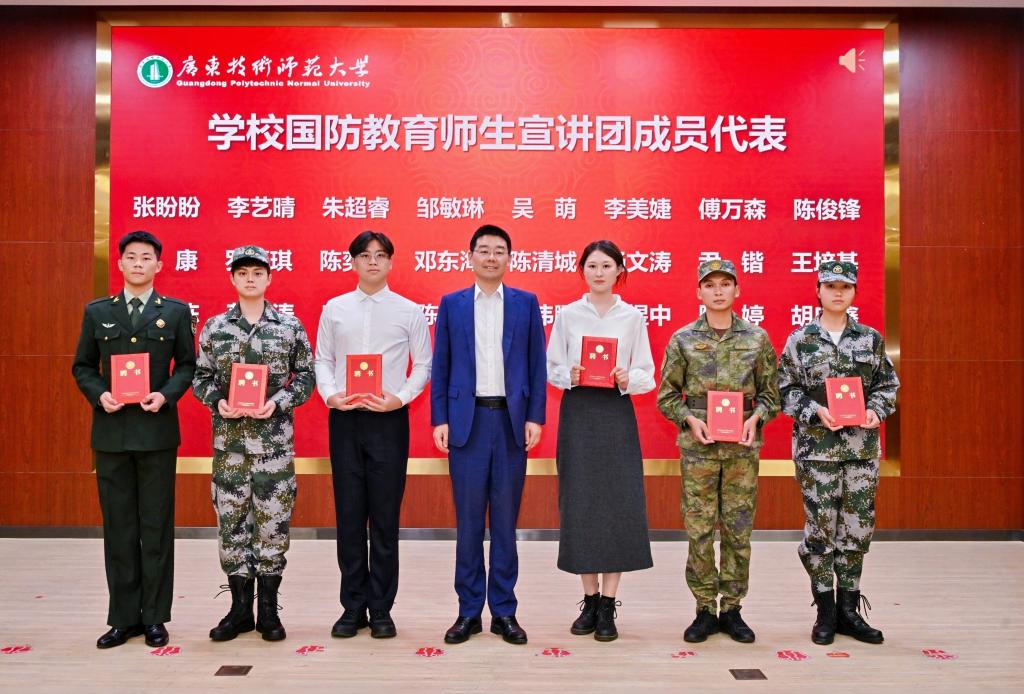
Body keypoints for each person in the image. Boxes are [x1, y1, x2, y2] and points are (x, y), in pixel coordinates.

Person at [72, 230, 196, 649]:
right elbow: (83, 366)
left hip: (157, 433)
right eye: (131, 257)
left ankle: (155, 617)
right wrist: (99, 394)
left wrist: (165, 395)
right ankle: (123, 618)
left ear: (159, 265)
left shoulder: (174, 312)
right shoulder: (98, 312)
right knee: (119, 529)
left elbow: (187, 365)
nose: (138, 263)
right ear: (120, 263)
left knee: (156, 527)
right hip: (111, 434)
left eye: (146, 257)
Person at [430, 224, 547, 646]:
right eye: (484, 250)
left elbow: (536, 363)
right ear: (470, 257)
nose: (491, 257)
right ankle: (468, 612)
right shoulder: (453, 304)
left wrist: (535, 417)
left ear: (509, 259)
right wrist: (439, 418)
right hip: (468, 422)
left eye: (499, 251)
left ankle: (504, 611)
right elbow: (441, 364)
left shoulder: (525, 303)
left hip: (511, 423)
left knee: (504, 522)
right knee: (467, 523)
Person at [192, 245, 315, 643]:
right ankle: (239, 610)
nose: (250, 279)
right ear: (232, 278)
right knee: (231, 528)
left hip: (273, 449)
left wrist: (278, 402)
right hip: (230, 449)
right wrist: (218, 401)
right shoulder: (215, 328)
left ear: (269, 278)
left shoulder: (289, 327)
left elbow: (306, 377)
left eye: (257, 273)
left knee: (273, 528)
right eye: (242, 272)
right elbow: (200, 378)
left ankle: (269, 612)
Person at [314, 231, 432, 639]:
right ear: (353, 262)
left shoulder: (408, 311)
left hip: (388, 421)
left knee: (384, 519)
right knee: (349, 517)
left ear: (391, 262)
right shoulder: (335, 309)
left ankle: (381, 608)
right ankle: (352, 607)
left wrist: (399, 398)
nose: (373, 262)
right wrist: (331, 395)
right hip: (345, 419)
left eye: (381, 255)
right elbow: (323, 359)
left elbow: (424, 365)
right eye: (365, 256)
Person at [656, 258, 779, 644]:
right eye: (710, 285)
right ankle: (705, 609)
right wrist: (688, 420)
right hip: (700, 449)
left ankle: (733, 609)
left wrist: (756, 418)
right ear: (699, 292)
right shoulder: (683, 339)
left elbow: (772, 396)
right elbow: (666, 396)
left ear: (737, 290)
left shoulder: (756, 339)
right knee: (700, 530)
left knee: (739, 530)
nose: (718, 291)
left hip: (742, 449)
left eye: (726, 284)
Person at [777, 261, 899, 645]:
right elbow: (785, 390)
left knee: (857, 528)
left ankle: (849, 610)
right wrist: (815, 411)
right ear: (818, 291)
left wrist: (875, 411)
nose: (837, 292)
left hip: (860, 451)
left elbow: (888, 386)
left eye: (845, 287)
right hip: (817, 452)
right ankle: (825, 611)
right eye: (830, 286)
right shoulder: (800, 340)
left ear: (854, 293)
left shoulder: (870, 339)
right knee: (820, 531)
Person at [545, 240, 655, 642]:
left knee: (617, 504)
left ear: (619, 270)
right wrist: (569, 375)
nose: (598, 272)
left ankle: (609, 604)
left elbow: (647, 373)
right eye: (591, 265)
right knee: (582, 503)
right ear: (582, 270)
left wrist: (628, 378)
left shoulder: (632, 317)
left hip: (615, 413)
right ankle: (589, 600)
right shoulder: (568, 315)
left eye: (606, 265)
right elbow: (550, 367)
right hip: (579, 412)